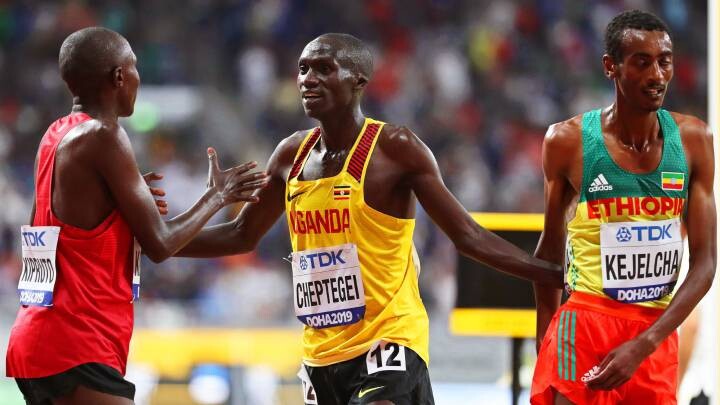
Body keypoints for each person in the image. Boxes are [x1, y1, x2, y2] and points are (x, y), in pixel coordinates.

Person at [178, 33, 562, 405]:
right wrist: (156, 240)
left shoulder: (395, 149)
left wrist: (553, 273)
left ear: (358, 81)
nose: (308, 79)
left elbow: (468, 236)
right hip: (322, 352)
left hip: (389, 340)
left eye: (323, 69)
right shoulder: (289, 155)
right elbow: (241, 235)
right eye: (303, 69)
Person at [6, 27, 268, 405]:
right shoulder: (104, 135)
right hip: (77, 342)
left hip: (40, 339)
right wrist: (218, 196)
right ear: (119, 76)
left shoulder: (54, 136)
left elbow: (53, 229)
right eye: (134, 68)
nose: (137, 79)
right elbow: (160, 243)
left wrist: (117, 205)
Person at [531, 10, 715, 405]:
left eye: (664, 61)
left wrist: (646, 342)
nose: (657, 75)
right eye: (642, 62)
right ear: (610, 66)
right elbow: (550, 250)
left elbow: (705, 264)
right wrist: (544, 338)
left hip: (654, 333)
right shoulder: (567, 141)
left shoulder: (694, 140)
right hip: (584, 325)